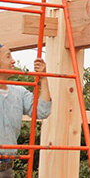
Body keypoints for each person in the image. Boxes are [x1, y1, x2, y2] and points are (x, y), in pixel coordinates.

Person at [0, 45, 51, 176]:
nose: (13, 61)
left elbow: (42, 111)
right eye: (8, 56)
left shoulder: (19, 92)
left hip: (6, 168)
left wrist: (43, 78)